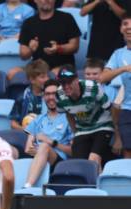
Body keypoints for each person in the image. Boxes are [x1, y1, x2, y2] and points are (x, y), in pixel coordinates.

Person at [56, 65, 114, 167]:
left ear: (77, 79)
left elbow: (111, 109)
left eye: (69, 82)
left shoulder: (92, 88)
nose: (66, 86)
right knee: (78, 164)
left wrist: (118, 137)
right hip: (82, 129)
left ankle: (96, 182)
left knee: (93, 158)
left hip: (102, 125)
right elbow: (68, 114)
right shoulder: (59, 94)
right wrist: (76, 133)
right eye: (62, 83)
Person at [23, 79, 73, 187]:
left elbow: (73, 151)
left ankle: (27, 186)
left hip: (59, 161)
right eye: (47, 94)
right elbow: (28, 148)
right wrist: (38, 150)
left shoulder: (69, 118)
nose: (51, 97)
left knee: (44, 146)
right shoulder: (38, 119)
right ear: (43, 97)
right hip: (38, 158)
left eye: (54, 94)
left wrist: (51, 142)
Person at [18, 0, 80, 76]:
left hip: (66, 69)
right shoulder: (28, 23)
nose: (46, 0)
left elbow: (75, 46)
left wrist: (58, 48)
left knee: (52, 74)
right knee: (13, 73)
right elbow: (23, 55)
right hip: (37, 68)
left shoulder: (67, 18)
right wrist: (30, 49)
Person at [101, 13, 131, 158]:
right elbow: (102, 77)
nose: (129, 28)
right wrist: (124, 69)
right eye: (125, 24)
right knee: (128, 152)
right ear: (120, 28)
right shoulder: (118, 54)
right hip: (127, 109)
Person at [10, 59, 50, 131]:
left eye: (47, 76)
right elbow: (13, 123)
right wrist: (24, 129)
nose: (47, 79)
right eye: (43, 77)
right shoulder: (22, 97)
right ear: (32, 80)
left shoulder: (52, 96)